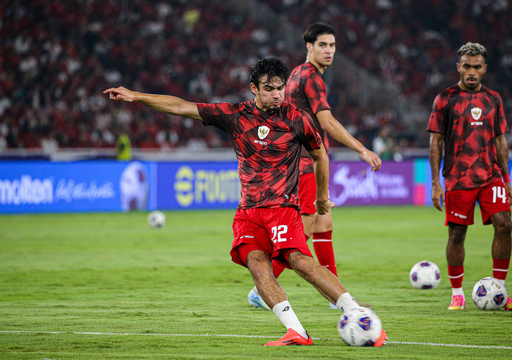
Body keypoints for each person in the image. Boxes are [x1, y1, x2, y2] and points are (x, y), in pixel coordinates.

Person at [104, 57, 386, 346]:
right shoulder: (235, 114)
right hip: (248, 211)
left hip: (282, 208)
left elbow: (320, 156)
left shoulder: (297, 118)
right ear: (254, 88)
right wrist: (136, 96)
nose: (276, 95)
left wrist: (321, 197)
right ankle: (296, 331)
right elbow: (180, 106)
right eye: (269, 89)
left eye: (280, 88)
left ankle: (356, 312)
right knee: (256, 264)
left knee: (299, 261)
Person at [248, 23, 382, 311]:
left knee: (324, 222)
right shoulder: (312, 77)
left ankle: (337, 296)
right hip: (306, 162)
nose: (329, 50)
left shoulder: (297, 72)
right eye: (323, 45)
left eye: (332, 45)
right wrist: (362, 148)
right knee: (305, 226)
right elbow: (326, 122)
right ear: (309, 46)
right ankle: (263, 287)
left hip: (300, 159)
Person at [427, 42, 512, 311]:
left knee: (505, 224)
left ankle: (500, 291)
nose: (471, 71)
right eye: (466, 66)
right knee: (457, 234)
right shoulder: (444, 99)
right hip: (458, 179)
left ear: (484, 69)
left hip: (490, 175)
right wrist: (436, 182)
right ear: (458, 67)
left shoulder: (494, 99)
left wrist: (506, 178)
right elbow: (435, 142)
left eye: (476, 67)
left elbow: (500, 140)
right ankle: (457, 293)